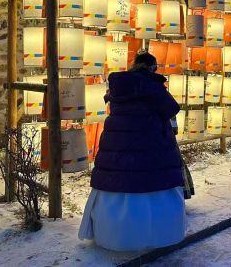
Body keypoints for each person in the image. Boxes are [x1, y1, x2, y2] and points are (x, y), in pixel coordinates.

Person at [79, 52, 186, 251]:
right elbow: (171, 108)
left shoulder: (120, 85)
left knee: (117, 181)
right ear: (152, 67)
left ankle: (112, 235)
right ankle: (153, 236)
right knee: (151, 182)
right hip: (149, 141)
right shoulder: (152, 85)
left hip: (119, 142)